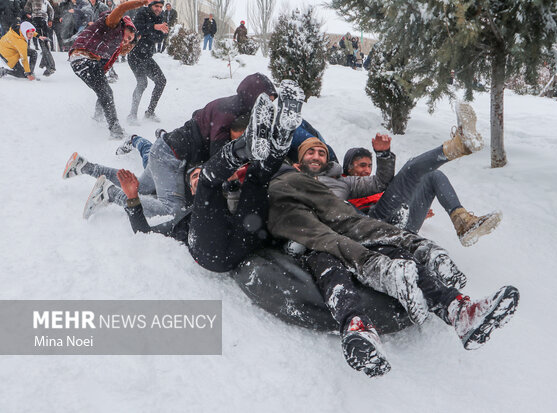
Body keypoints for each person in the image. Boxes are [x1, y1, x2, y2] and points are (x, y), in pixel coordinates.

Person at [266, 142, 520, 377]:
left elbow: (376, 184)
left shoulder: (340, 182)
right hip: (319, 240)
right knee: (329, 263)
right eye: (311, 152)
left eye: (321, 152)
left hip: (351, 225)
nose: (317, 156)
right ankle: (356, 325)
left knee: (396, 252)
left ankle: (459, 310)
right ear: (298, 162)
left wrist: (383, 157)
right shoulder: (288, 182)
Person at [114, 82, 306, 273]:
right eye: (194, 178)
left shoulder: (217, 195)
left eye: (197, 175)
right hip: (213, 255)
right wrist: (132, 198)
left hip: (246, 235)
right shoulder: (184, 217)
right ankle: (244, 146)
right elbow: (143, 232)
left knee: (257, 179)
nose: (197, 179)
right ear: (189, 189)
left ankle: (283, 135)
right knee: (210, 181)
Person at [310, 102, 502, 246]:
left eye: (369, 166)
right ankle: (458, 146)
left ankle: (462, 222)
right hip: (372, 223)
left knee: (433, 176)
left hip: (402, 224)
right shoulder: (345, 185)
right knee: (411, 169)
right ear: (348, 168)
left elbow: (391, 190)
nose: (366, 170)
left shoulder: (370, 185)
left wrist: (415, 205)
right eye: (361, 165)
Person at [68, 0, 145, 139]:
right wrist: (143, 2)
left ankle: (98, 118)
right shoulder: (113, 23)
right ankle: (115, 131)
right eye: (127, 36)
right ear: (126, 26)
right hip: (83, 57)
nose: (126, 40)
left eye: (128, 41)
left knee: (104, 91)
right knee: (106, 92)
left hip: (87, 61)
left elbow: (107, 62)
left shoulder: (114, 43)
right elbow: (122, 8)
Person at [127, 0, 167, 123]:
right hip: (135, 56)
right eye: (156, 6)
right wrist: (154, 28)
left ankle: (150, 112)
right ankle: (132, 115)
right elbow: (137, 29)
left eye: (161, 6)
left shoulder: (160, 17)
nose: (159, 9)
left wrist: (154, 31)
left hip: (147, 56)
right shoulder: (142, 13)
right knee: (142, 83)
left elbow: (160, 37)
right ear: (150, 5)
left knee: (161, 81)